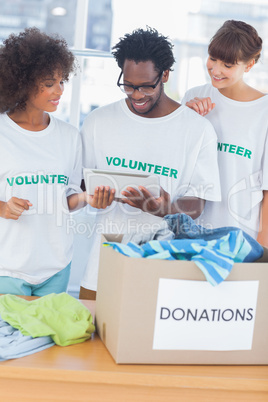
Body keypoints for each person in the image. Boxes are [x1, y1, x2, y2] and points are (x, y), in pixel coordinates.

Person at [80, 27, 221, 299]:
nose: (136, 95)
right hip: (103, 263)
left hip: (162, 266)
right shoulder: (98, 122)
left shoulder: (197, 131)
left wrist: (165, 208)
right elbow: (83, 185)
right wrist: (94, 198)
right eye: (129, 85)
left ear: (165, 75)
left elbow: (197, 204)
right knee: (87, 337)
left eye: (146, 86)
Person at [0, 27, 88, 296]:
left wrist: (86, 198)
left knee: (49, 339)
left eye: (62, 81)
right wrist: (3, 207)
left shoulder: (70, 136)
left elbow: (67, 200)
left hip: (56, 266)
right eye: (49, 83)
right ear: (22, 82)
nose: (59, 90)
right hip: (8, 267)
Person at [181, 20, 268, 246]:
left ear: (249, 65)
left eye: (228, 65)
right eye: (212, 58)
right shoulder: (194, 97)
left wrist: (262, 249)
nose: (216, 70)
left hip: (241, 239)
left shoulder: (264, 112)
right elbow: (175, 166)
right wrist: (186, 121)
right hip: (191, 233)